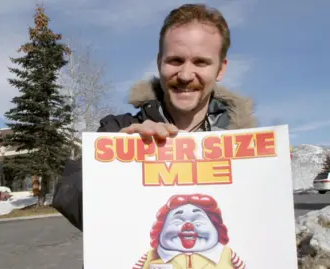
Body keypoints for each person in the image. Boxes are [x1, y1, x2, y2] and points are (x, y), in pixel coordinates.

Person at [52, 3, 258, 233]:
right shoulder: (117, 129)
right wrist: (116, 162)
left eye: (201, 62)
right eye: (175, 60)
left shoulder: (248, 145)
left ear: (221, 69)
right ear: (160, 62)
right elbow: (68, 196)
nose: (186, 75)